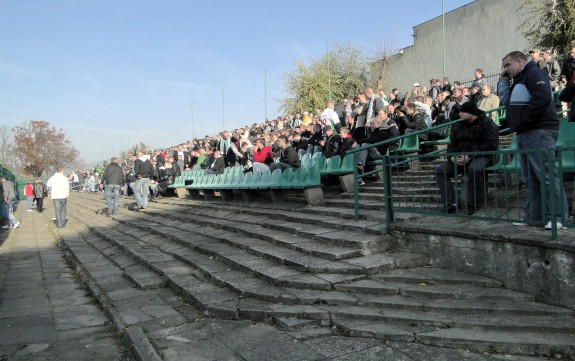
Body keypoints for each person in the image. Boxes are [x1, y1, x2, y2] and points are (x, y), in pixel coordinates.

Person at [498, 50, 568, 229]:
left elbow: (543, 98)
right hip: (525, 133)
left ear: (520, 61)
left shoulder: (534, 73)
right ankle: (534, 217)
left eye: (508, 65)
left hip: (539, 131)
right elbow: (506, 100)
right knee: (530, 179)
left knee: (547, 177)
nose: (505, 69)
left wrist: (524, 120)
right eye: (504, 66)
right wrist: (504, 80)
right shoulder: (518, 80)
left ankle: (558, 218)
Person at [435, 102, 499, 215]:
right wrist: (451, 158)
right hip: (460, 158)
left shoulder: (487, 123)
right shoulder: (458, 125)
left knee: (474, 169)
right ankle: (451, 204)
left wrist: (470, 156)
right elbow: (451, 145)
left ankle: (472, 204)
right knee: (440, 171)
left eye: (463, 112)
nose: (459, 114)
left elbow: (491, 145)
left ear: (472, 113)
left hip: (483, 156)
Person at [560, 45, 575, 122]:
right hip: (572, 87)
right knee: (572, 110)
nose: (572, 54)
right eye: (571, 53)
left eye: (573, 53)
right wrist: (563, 78)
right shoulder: (568, 62)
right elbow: (563, 72)